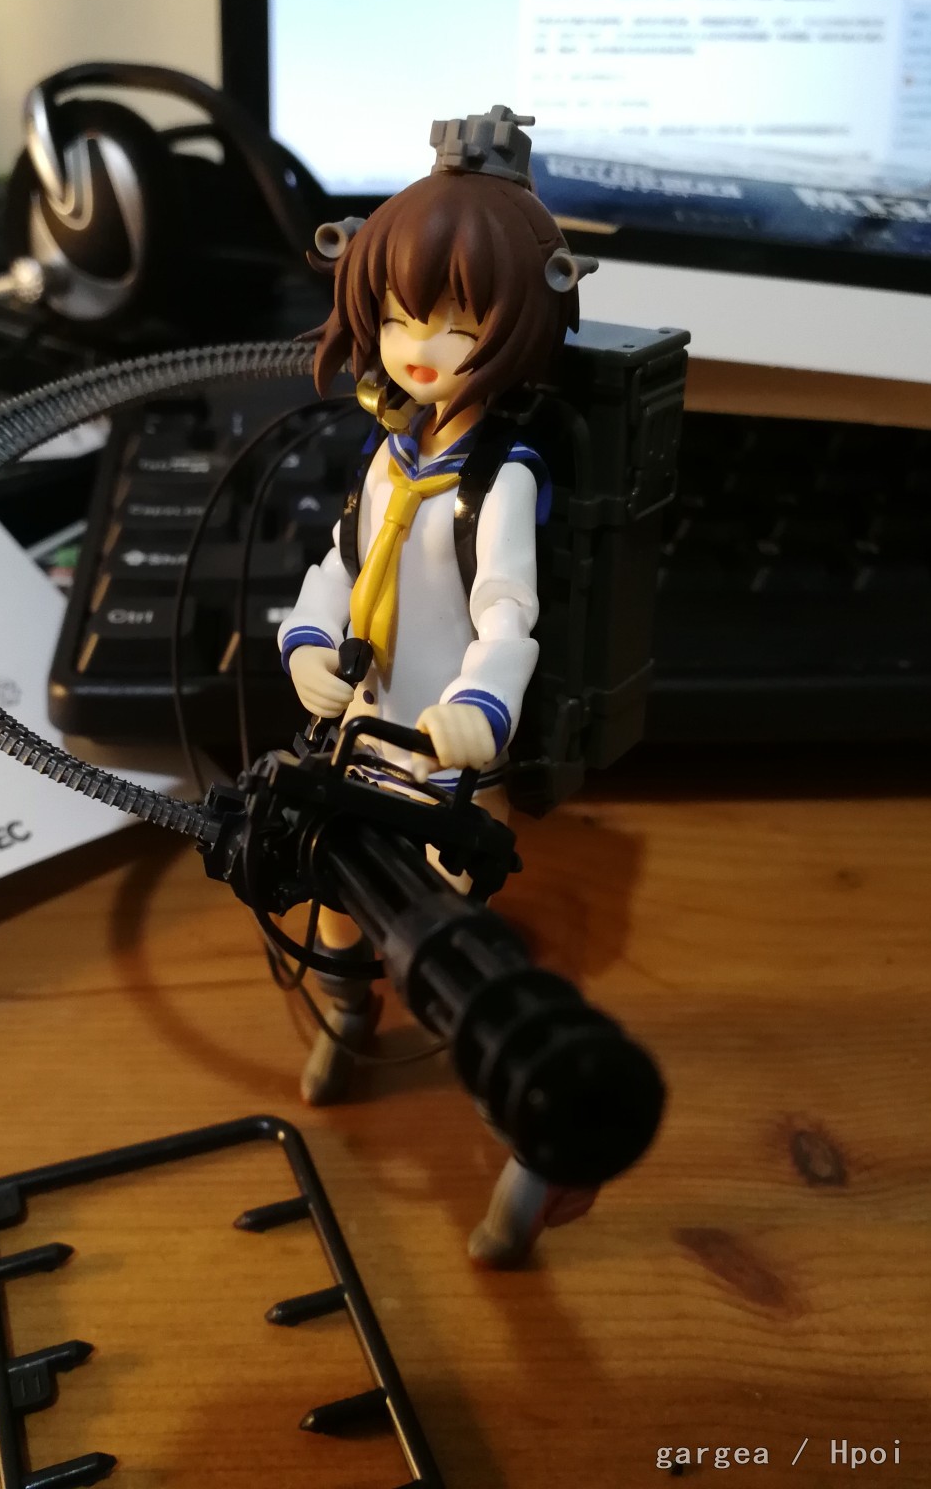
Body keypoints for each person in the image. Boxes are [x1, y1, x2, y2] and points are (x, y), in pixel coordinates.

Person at [276, 107, 600, 1265]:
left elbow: (508, 611)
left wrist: (478, 708)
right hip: (361, 741)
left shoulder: (496, 481)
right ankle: (345, 1017)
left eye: (459, 321)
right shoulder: (390, 455)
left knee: (452, 961)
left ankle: (531, 1148)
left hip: (446, 765)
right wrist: (307, 642)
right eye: (405, 315)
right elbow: (340, 562)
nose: (423, 345)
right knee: (333, 908)